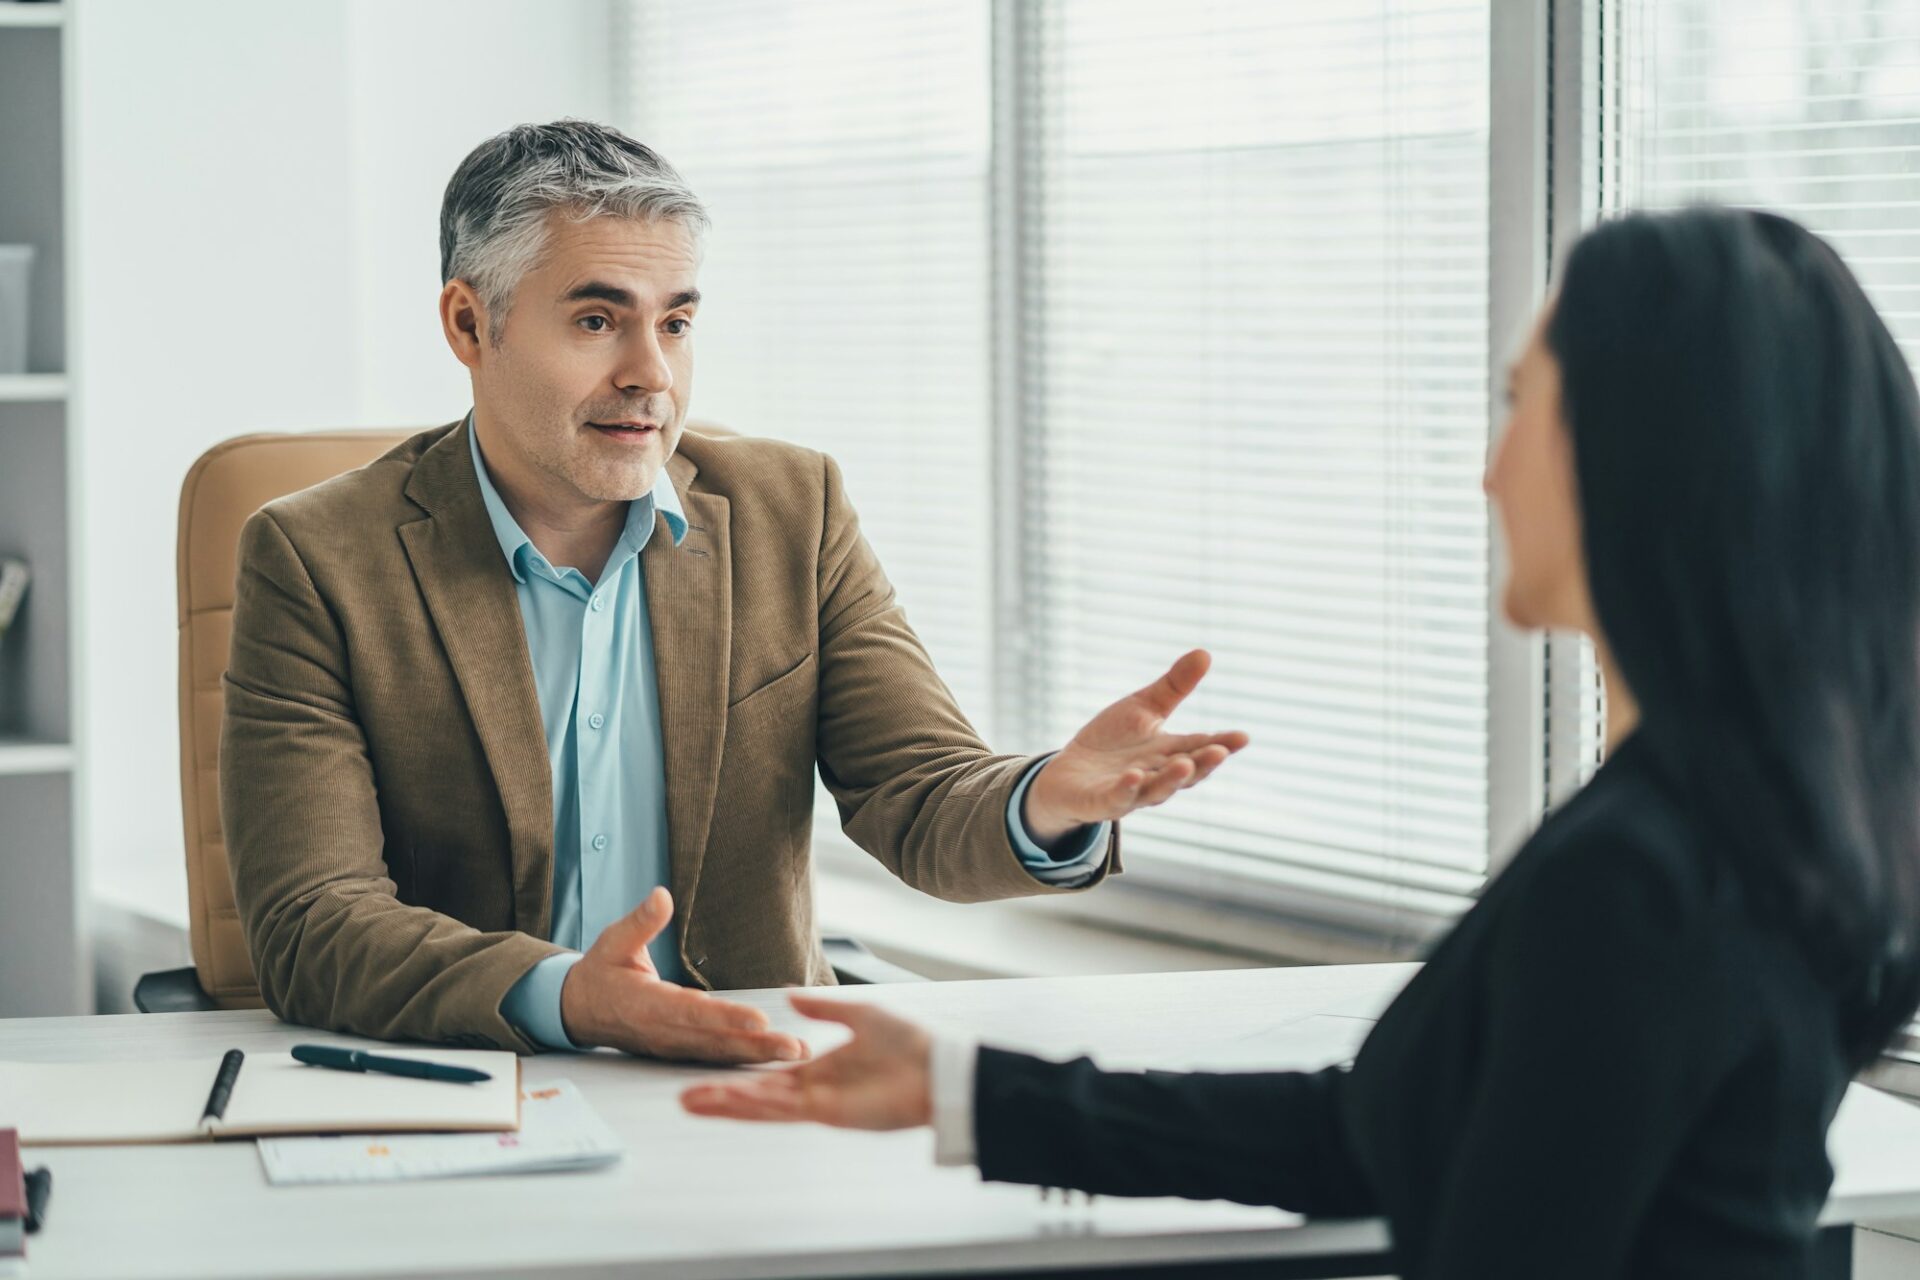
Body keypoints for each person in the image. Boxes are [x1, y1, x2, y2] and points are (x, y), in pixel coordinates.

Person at [679, 206, 1920, 1278]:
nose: (1490, 474)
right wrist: (960, 1091)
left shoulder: (1640, 880)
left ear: (1641, 460)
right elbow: (1381, 1131)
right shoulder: (1775, 824)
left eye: (1519, 408)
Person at [220, 120, 1247, 1061]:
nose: (650, 373)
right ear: (468, 323)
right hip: (479, 1079)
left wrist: (1046, 800)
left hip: (751, 1078)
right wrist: (567, 995)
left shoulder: (789, 511)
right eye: (595, 320)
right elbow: (314, 920)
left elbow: (920, 793)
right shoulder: (317, 558)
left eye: (675, 323)